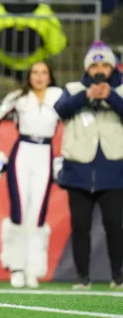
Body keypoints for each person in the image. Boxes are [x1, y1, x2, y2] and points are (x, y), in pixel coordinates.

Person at [0, 61, 63, 288]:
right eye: (35, 73)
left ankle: (34, 269)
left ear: (50, 76)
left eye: (44, 73)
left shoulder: (58, 96)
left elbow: (74, 119)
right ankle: (16, 267)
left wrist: (66, 154)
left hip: (45, 156)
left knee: (38, 214)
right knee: (19, 212)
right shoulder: (18, 97)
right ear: (29, 76)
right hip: (23, 154)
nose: (39, 77)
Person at [53, 41, 123, 290]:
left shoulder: (121, 90)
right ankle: (82, 277)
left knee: (115, 224)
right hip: (78, 169)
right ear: (87, 68)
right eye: (94, 64)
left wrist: (110, 97)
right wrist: (86, 95)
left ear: (112, 67)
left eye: (105, 64)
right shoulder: (73, 88)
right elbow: (60, 110)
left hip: (114, 168)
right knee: (80, 226)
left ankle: (119, 276)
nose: (99, 69)